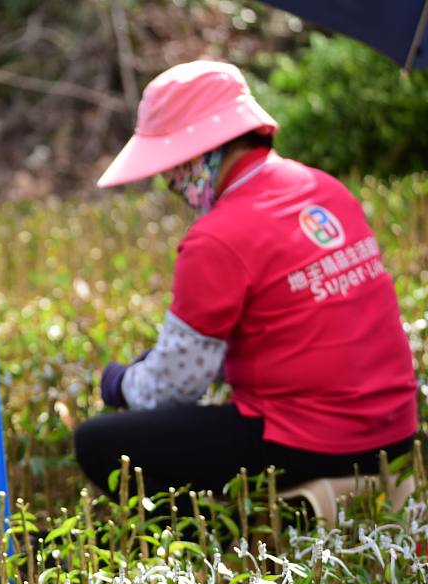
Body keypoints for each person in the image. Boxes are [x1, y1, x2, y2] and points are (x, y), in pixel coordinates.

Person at [74, 61, 418, 499]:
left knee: (98, 442)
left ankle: (197, 543)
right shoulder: (325, 189)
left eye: (170, 166)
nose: (168, 180)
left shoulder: (217, 236)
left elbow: (173, 387)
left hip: (313, 437)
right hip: (396, 434)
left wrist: (120, 383)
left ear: (199, 152)